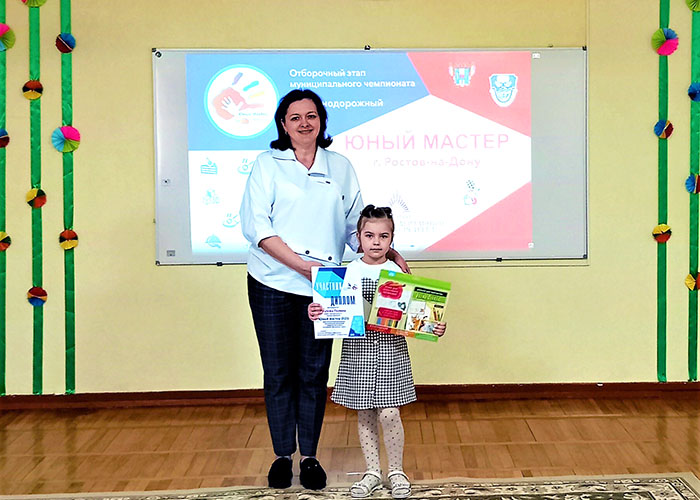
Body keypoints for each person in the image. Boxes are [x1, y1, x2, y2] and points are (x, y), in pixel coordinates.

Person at [239, 90, 409, 491]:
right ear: (283, 124)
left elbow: (356, 228)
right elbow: (257, 226)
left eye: (311, 116)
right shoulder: (267, 165)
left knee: (314, 373)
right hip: (272, 280)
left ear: (321, 121)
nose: (304, 123)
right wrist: (302, 266)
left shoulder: (340, 166)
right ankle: (283, 455)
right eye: (295, 117)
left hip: (328, 285)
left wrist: (388, 254)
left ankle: (310, 457)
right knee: (278, 372)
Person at [308, 205, 446, 499]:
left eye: (383, 236)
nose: (376, 242)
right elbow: (331, 312)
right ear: (358, 237)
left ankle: (396, 471)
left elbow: (416, 315)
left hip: (390, 351)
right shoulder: (346, 273)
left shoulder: (398, 272)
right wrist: (317, 312)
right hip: (358, 352)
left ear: (392, 239)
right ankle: (372, 471)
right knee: (365, 413)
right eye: (369, 235)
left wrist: (433, 325)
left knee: (390, 412)